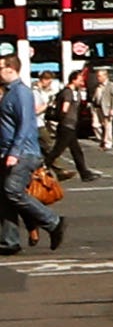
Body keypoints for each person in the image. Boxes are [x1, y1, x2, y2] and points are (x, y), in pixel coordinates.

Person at [0, 53, 60, 255]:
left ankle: (53, 222)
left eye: (0, 67)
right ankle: (10, 241)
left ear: (11, 69)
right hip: (8, 150)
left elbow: (26, 123)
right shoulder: (9, 92)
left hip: (23, 152)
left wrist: (14, 152)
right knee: (4, 197)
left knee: (12, 191)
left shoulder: (21, 92)